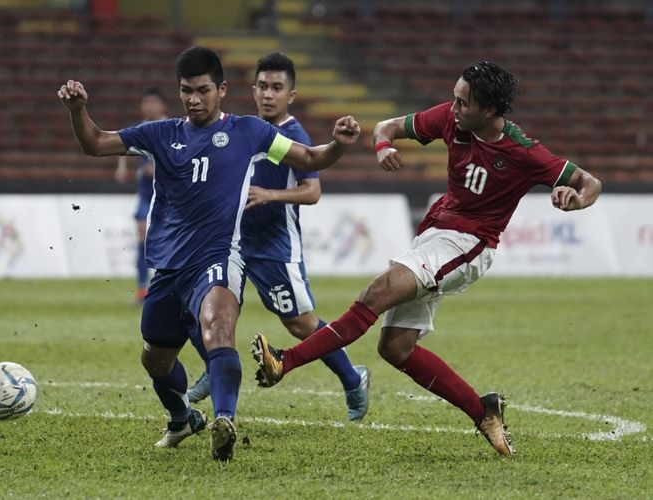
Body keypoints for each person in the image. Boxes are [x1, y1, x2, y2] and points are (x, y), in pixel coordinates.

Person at [251, 61, 602, 457]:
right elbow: (386, 128)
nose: (452, 109)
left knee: (377, 292)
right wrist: (383, 147)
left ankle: (285, 361)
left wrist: (574, 200)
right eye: (454, 98)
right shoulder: (451, 118)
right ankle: (483, 411)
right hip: (434, 234)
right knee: (395, 347)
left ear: (489, 111)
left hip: (469, 244)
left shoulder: (523, 151)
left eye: (462, 103)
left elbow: (589, 183)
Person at [57, 46, 360, 461]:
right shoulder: (160, 134)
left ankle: (224, 420)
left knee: (219, 328)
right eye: (186, 91)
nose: (194, 100)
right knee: (155, 360)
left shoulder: (250, 132)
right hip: (168, 267)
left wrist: (339, 145)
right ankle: (182, 418)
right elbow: (94, 143)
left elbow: (309, 157)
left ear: (222, 89)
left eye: (202, 90)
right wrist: (78, 110)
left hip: (220, 258)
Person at [185, 52, 370, 421]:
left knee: (300, 324)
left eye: (277, 88)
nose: (268, 94)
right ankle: (214, 364)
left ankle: (352, 378)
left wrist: (270, 195)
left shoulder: (293, 135)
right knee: (203, 304)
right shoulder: (247, 130)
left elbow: (312, 191)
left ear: (292, 95)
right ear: (253, 89)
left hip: (275, 247)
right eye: (263, 86)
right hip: (234, 243)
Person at [113, 88, 168, 302]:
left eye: (154, 103)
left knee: (168, 242)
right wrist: (121, 167)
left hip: (169, 198)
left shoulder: (171, 128)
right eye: (146, 103)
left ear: (162, 106)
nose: (150, 107)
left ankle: (165, 286)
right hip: (146, 195)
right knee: (143, 238)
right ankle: (142, 288)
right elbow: (119, 143)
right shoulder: (140, 128)